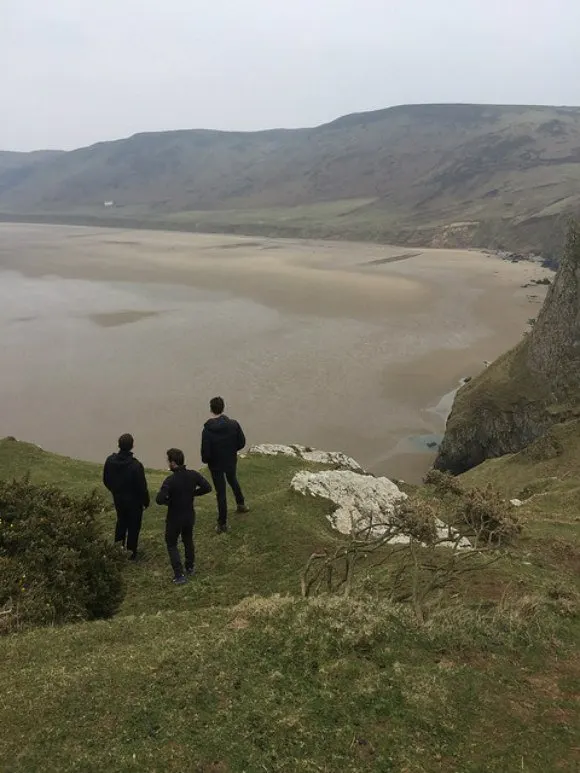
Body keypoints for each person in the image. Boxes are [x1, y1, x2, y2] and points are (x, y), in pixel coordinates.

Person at [156, 448, 212, 584]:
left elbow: (159, 499)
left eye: (169, 461)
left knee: (171, 544)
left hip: (174, 517)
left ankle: (179, 574)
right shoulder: (193, 475)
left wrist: (169, 502)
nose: (168, 463)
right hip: (189, 515)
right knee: (188, 540)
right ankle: (190, 567)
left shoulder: (170, 480)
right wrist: (193, 493)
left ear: (173, 463)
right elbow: (207, 487)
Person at [201, 396, 249, 534]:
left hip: (215, 465)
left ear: (211, 409)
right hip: (230, 460)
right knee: (233, 480)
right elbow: (242, 442)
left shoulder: (207, 430)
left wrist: (208, 461)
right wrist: (231, 451)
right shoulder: (234, 424)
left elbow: (205, 453)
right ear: (223, 407)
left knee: (221, 492)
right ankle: (241, 504)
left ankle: (222, 523)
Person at [103, 433, 150, 560]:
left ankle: (118, 550)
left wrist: (114, 491)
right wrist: (146, 501)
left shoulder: (110, 461)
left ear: (119, 445)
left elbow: (106, 479)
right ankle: (131, 554)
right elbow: (142, 487)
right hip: (134, 501)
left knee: (121, 522)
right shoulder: (135, 466)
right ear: (132, 446)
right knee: (134, 526)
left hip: (118, 498)